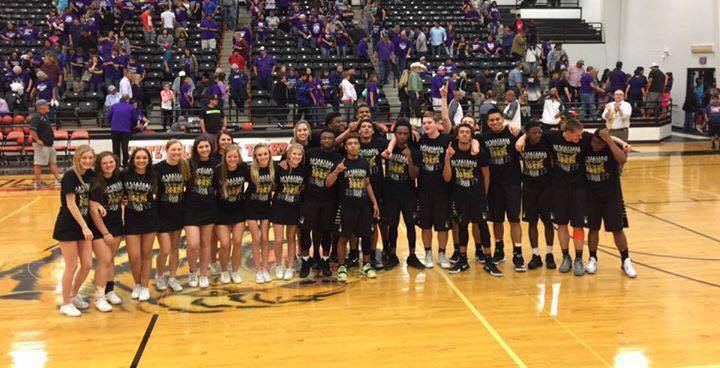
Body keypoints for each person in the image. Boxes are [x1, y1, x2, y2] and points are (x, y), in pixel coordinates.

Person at [515, 119, 630, 275]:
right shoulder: (553, 137)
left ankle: (578, 259)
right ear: (567, 133)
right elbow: (532, 134)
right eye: (577, 135)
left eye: (581, 135)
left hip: (580, 188)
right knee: (561, 224)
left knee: (578, 225)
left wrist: (621, 142)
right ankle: (565, 257)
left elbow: (602, 135)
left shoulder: (584, 138)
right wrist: (522, 138)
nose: (580, 138)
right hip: (559, 188)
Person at [443, 123, 497, 274]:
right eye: (462, 132)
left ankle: (488, 260)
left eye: (467, 132)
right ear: (457, 135)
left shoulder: (479, 153)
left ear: (471, 136)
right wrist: (447, 158)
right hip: (459, 196)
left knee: (483, 226)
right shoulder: (451, 151)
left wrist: (484, 195)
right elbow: (447, 178)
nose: (465, 134)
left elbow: (486, 175)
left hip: (477, 196)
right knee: (462, 226)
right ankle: (462, 260)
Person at [325, 134, 380, 281]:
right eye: (350, 144)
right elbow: (328, 183)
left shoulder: (364, 163)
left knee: (366, 236)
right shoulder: (341, 163)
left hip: (363, 206)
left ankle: (367, 265)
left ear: (359, 146)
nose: (353, 146)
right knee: (344, 237)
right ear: (345, 147)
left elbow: (367, 184)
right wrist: (336, 171)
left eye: (355, 143)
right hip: (346, 207)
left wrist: (374, 202)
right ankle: (342, 266)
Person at [585, 129, 637, 278]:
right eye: (594, 143)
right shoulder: (588, 142)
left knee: (617, 229)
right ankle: (593, 258)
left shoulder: (611, 148)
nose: (595, 146)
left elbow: (623, 160)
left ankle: (625, 259)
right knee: (593, 228)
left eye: (598, 145)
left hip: (612, 196)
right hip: (592, 196)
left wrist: (611, 141)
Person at [479, 108, 525, 271]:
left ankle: (518, 253)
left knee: (514, 220)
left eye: (497, 119)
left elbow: (530, 135)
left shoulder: (513, 133)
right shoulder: (483, 138)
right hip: (493, 185)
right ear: (487, 122)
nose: (495, 122)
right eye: (491, 120)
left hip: (512, 183)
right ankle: (499, 249)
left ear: (503, 119)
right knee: (496, 220)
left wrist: (523, 133)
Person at [53, 145, 95, 317]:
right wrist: (85, 226)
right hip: (69, 225)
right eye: (84, 158)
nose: (87, 161)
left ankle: (73, 294)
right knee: (71, 265)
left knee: (87, 264)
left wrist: (97, 206)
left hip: (83, 224)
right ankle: (65, 303)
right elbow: (70, 204)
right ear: (77, 158)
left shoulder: (90, 175)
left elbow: (90, 198)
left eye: (90, 158)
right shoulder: (70, 175)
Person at [88, 152, 124, 311]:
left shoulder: (118, 177)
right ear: (99, 165)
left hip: (116, 223)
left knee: (111, 260)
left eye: (111, 161)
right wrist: (105, 233)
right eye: (105, 163)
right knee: (104, 260)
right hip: (99, 228)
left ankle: (110, 291)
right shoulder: (96, 183)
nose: (109, 165)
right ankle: (99, 296)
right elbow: (93, 211)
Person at [381, 118, 419, 269]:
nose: (402, 136)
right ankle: (392, 254)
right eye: (399, 133)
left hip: (408, 192)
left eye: (405, 133)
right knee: (393, 225)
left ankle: (412, 255)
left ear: (410, 134)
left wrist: (409, 158)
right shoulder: (387, 146)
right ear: (395, 133)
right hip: (391, 192)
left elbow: (414, 175)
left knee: (410, 224)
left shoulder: (414, 149)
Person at [517, 123, 555, 269]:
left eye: (539, 132)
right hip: (529, 188)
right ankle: (535, 254)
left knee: (548, 222)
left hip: (546, 187)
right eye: (534, 133)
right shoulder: (522, 143)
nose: (537, 135)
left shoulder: (547, 141)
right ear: (527, 134)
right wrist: (523, 137)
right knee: (532, 222)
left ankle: (550, 254)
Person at [122, 148, 158, 302]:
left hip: (150, 217)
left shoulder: (154, 174)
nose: (141, 160)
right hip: (131, 218)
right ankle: (137, 283)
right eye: (138, 158)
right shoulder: (124, 174)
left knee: (146, 254)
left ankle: (144, 286)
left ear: (149, 159)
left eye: (144, 158)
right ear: (133, 159)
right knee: (134, 256)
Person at [184, 135, 219, 289]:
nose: (204, 149)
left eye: (207, 146)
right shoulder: (188, 164)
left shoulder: (217, 163)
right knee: (193, 244)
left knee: (205, 244)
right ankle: (192, 271)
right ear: (196, 149)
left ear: (211, 148)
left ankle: (204, 274)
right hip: (191, 208)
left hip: (209, 207)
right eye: (201, 147)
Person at [154, 140, 188, 293]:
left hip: (179, 211)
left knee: (175, 249)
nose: (176, 152)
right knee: (165, 249)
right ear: (166, 150)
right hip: (162, 212)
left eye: (178, 149)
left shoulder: (185, 166)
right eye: (173, 149)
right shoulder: (158, 168)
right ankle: (160, 275)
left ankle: (173, 277)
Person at [212, 144, 248, 284]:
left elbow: (256, 179)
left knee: (238, 242)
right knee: (225, 244)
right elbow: (212, 191)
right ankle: (224, 271)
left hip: (238, 210)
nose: (233, 159)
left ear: (238, 157)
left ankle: (234, 271)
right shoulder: (218, 170)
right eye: (230, 157)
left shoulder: (244, 168)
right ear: (225, 157)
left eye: (235, 156)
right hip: (221, 212)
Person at [270, 144, 306, 280]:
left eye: (299, 155)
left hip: (294, 208)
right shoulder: (280, 167)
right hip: (279, 206)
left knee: (291, 239)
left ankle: (290, 267)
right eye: (294, 154)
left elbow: (304, 188)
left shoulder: (304, 170)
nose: (296, 157)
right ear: (288, 155)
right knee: (278, 240)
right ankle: (279, 265)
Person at [245, 144, 275, 283]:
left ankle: (265, 267)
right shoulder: (249, 170)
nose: (263, 157)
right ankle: (259, 269)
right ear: (255, 157)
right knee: (256, 239)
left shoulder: (274, 169)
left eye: (265, 154)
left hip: (266, 208)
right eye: (259, 155)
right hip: (250, 208)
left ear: (269, 155)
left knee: (265, 239)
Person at [29, 99, 61, 189]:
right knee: (39, 163)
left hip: (49, 144)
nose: (48, 106)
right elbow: (32, 130)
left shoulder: (45, 116)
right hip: (41, 145)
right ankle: (38, 182)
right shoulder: (36, 117)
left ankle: (58, 179)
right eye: (46, 105)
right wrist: (37, 140)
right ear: (40, 107)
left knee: (53, 162)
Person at [107, 94, 138, 167]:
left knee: (115, 148)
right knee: (124, 147)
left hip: (114, 130)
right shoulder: (131, 107)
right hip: (125, 130)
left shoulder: (114, 106)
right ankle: (125, 164)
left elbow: (108, 117)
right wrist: (132, 126)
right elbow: (135, 120)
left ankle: (116, 164)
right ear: (128, 100)